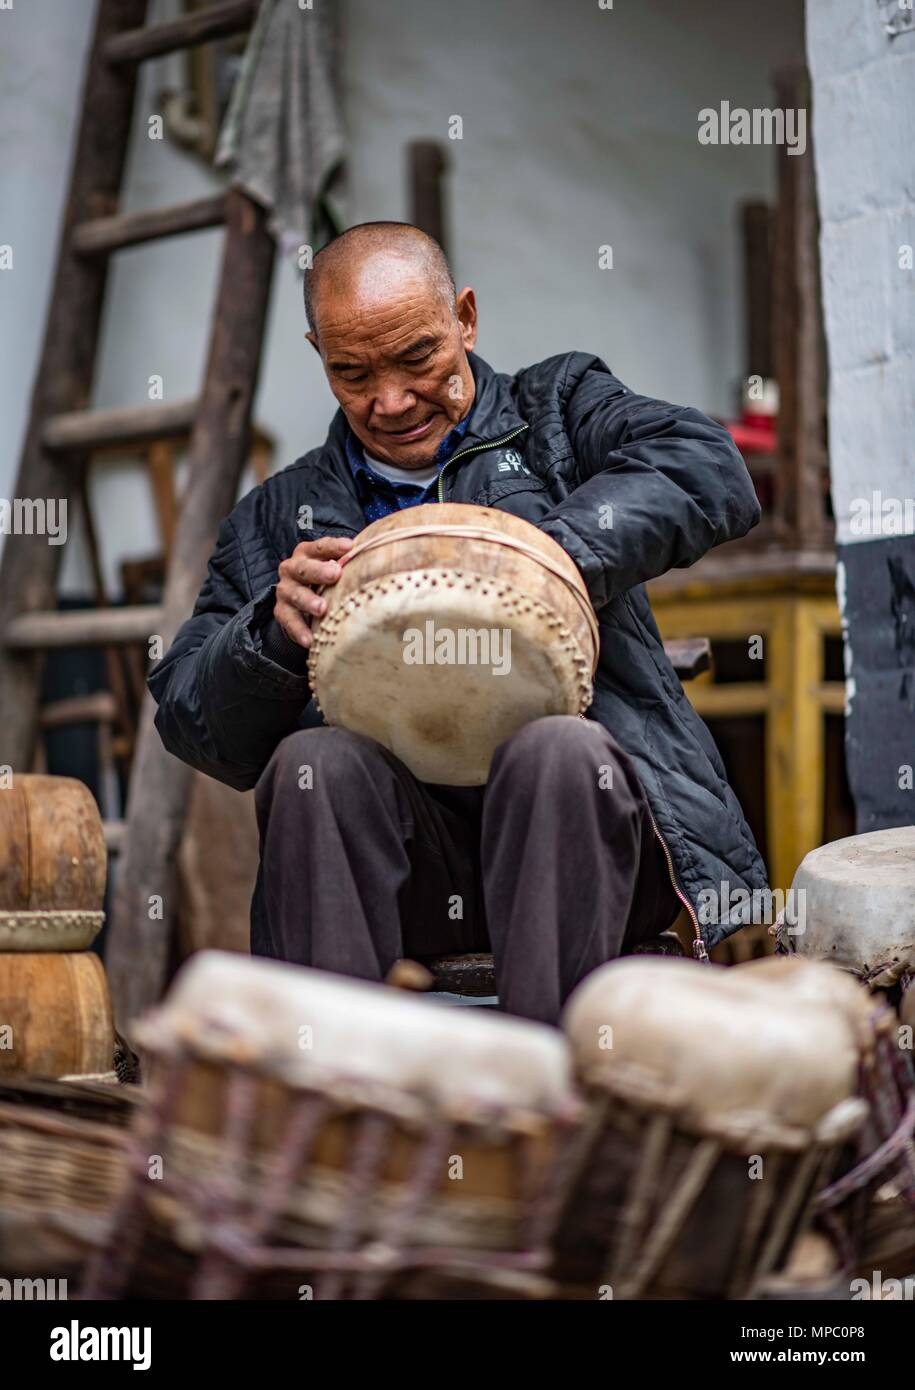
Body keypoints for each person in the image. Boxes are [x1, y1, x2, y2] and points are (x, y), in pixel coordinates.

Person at [149, 221, 768, 1024]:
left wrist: (535, 559)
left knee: (557, 749)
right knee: (316, 764)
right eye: (352, 373)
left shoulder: (558, 412)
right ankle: (333, 1101)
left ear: (464, 319)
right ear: (319, 355)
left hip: (588, 844)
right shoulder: (278, 516)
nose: (391, 400)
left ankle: (544, 1100)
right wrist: (269, 633)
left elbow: (708, 466)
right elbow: (193, 720)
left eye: (416, 358)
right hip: (414, 874)